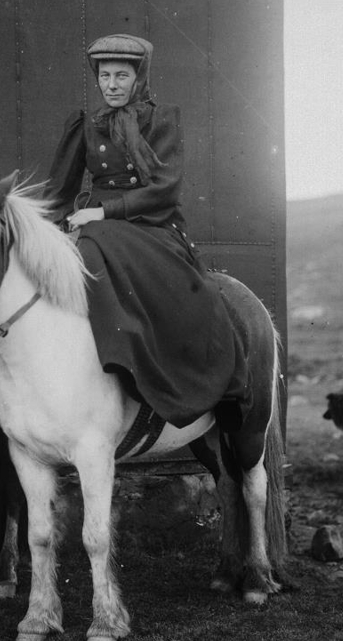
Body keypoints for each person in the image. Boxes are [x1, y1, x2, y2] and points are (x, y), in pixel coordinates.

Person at [42, 33, 251, 433]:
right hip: (95, 222)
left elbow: (163, 189)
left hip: (151, 221)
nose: (111, 85)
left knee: (184, 289)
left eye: (121, 76)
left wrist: (104, 211)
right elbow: (58, 193)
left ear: (139, 78)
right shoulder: (86, 125)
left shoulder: (163, 119)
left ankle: (141, 361)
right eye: (104, 76)